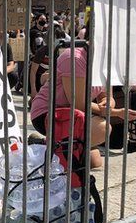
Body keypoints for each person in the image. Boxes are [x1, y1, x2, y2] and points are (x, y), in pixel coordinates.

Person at [29, 41, 108, 170]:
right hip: (49, 113)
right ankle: (50, 147)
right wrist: (113, 112)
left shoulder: (106, 61)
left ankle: (43, 144)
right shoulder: (75, 58)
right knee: (102, 128)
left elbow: (106, 95)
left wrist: (108, 103)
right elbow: (79, 103)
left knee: (95, 162)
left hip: (75, 115)